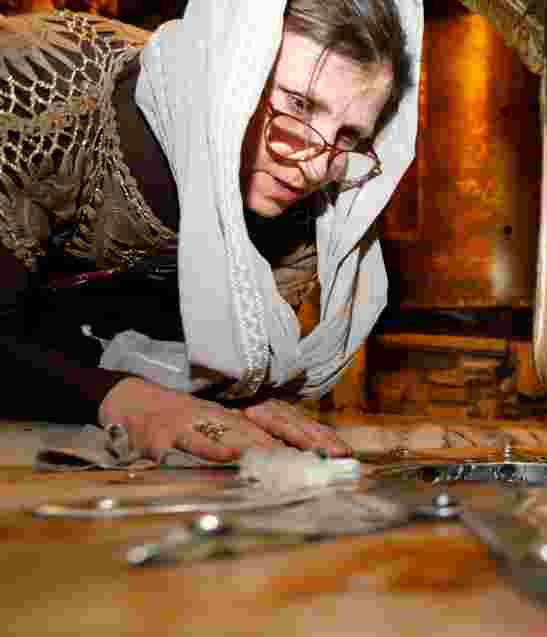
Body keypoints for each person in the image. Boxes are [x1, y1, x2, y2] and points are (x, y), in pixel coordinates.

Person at [0, 0, 422, 462]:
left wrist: (232, 394)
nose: (313, 169)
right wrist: (126, 399)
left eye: (347, 136)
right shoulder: (40, 92)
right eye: (298, 104)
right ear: (226, 61)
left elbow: (133, 341)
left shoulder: (308, 207)